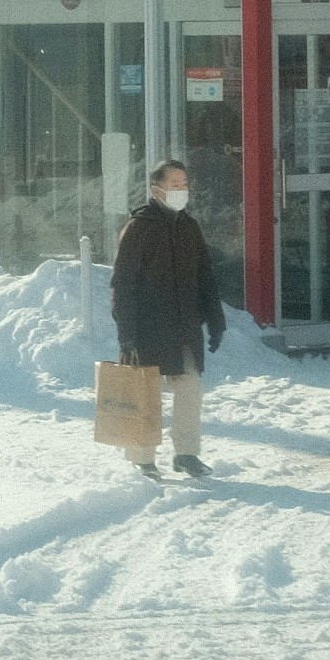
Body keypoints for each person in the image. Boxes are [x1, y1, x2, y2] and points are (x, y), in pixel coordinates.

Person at [108, 156, 226, 478]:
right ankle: (143, 459)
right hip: (147, 328)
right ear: (157, 189)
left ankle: (186, 454)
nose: (182, 190)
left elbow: (206, 278)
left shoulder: (189, 227)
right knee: (145, 394)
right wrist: (126, 333)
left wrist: (216, 320)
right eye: (175, 184)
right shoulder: (138, 229)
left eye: (185, 184)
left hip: (185, 328)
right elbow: (123, 284)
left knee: (190, 387)